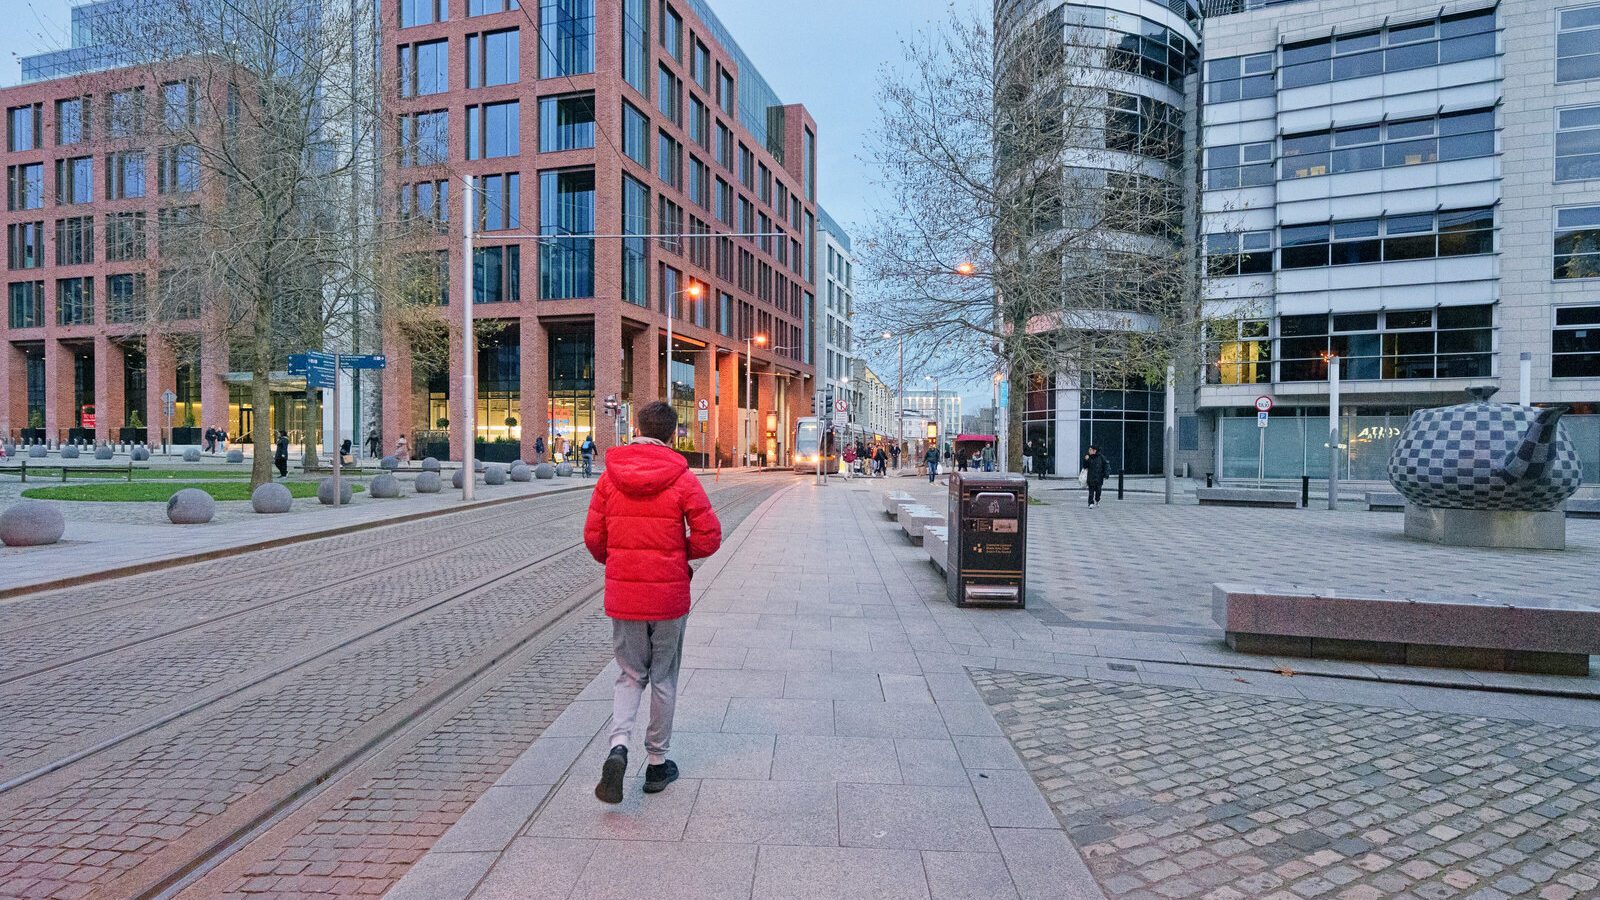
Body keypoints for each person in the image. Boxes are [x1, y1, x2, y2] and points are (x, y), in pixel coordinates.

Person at [585, 401, 722, 804]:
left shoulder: (610, 477)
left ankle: (618, 747)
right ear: (672, 433)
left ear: (637, 427)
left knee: (629, 674)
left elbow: (594, 538)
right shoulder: (681, 477)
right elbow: (709, 535)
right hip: (668, 595)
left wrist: (619, 562)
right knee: (663, 677)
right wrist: (682, 557)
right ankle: (658, 764)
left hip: (625, 594)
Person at [1083, 444, 1110, 508]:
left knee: (1098, 491)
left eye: (1090, 450)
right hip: (1091, 477)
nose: (1089, 451)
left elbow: (1106, 466)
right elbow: (1085, 466)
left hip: (1099, 477)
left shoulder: (1101, 457)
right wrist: (1085, 460)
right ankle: (1090, 503)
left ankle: (1097, 500)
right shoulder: (1088, 457)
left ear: (1094, 451)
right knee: (1091, 491)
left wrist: (1106, 474)